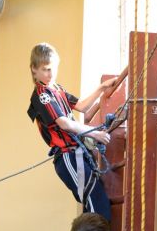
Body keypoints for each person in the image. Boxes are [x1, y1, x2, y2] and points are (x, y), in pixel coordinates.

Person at [27, 42, 115, 221]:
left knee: (95, 201)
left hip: (77, 154)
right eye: (45, 69)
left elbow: (82, 106)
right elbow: (64, 123)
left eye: (53, 68)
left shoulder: (57, 89)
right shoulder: (42, 95)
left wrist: (101, 88)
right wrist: (94, 133)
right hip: (67, 155)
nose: (51, 74)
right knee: (95, 202)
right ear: (34, 69)